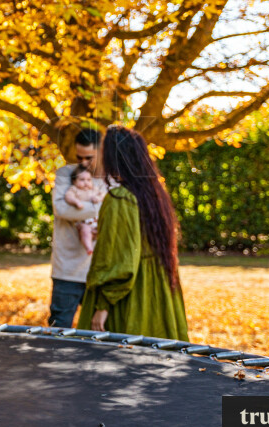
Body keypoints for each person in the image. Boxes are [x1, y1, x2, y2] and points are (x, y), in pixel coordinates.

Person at [78, 125, 189, 340]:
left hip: (131, 299)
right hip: (159, 294)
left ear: (113, 156)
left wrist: (102, 306)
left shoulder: (120, 198)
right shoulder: (154, 196)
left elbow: (119, 262)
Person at [49, 128, 107, 328]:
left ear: (101, 151)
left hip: (100, 271)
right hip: (67, 271)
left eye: (89, 157)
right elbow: (62, 209)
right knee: (59, 329)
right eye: (79, 157)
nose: (83, 163)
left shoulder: (112, 180)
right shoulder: (66, 174)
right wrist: (103, 209)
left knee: (101, 334)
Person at [63, 166, 107, 255]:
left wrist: (98, 198)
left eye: (89, 180)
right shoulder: (75, 189)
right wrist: (76, 202)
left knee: (105, 229)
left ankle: (104, 249)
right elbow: (68, 196)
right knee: (85, 232)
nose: (86, 183)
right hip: (83, 222)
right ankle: (89, 248)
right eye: (82, 180)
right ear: (74, 181)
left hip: (96, 220)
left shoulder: (94, 189)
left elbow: (103, 195)